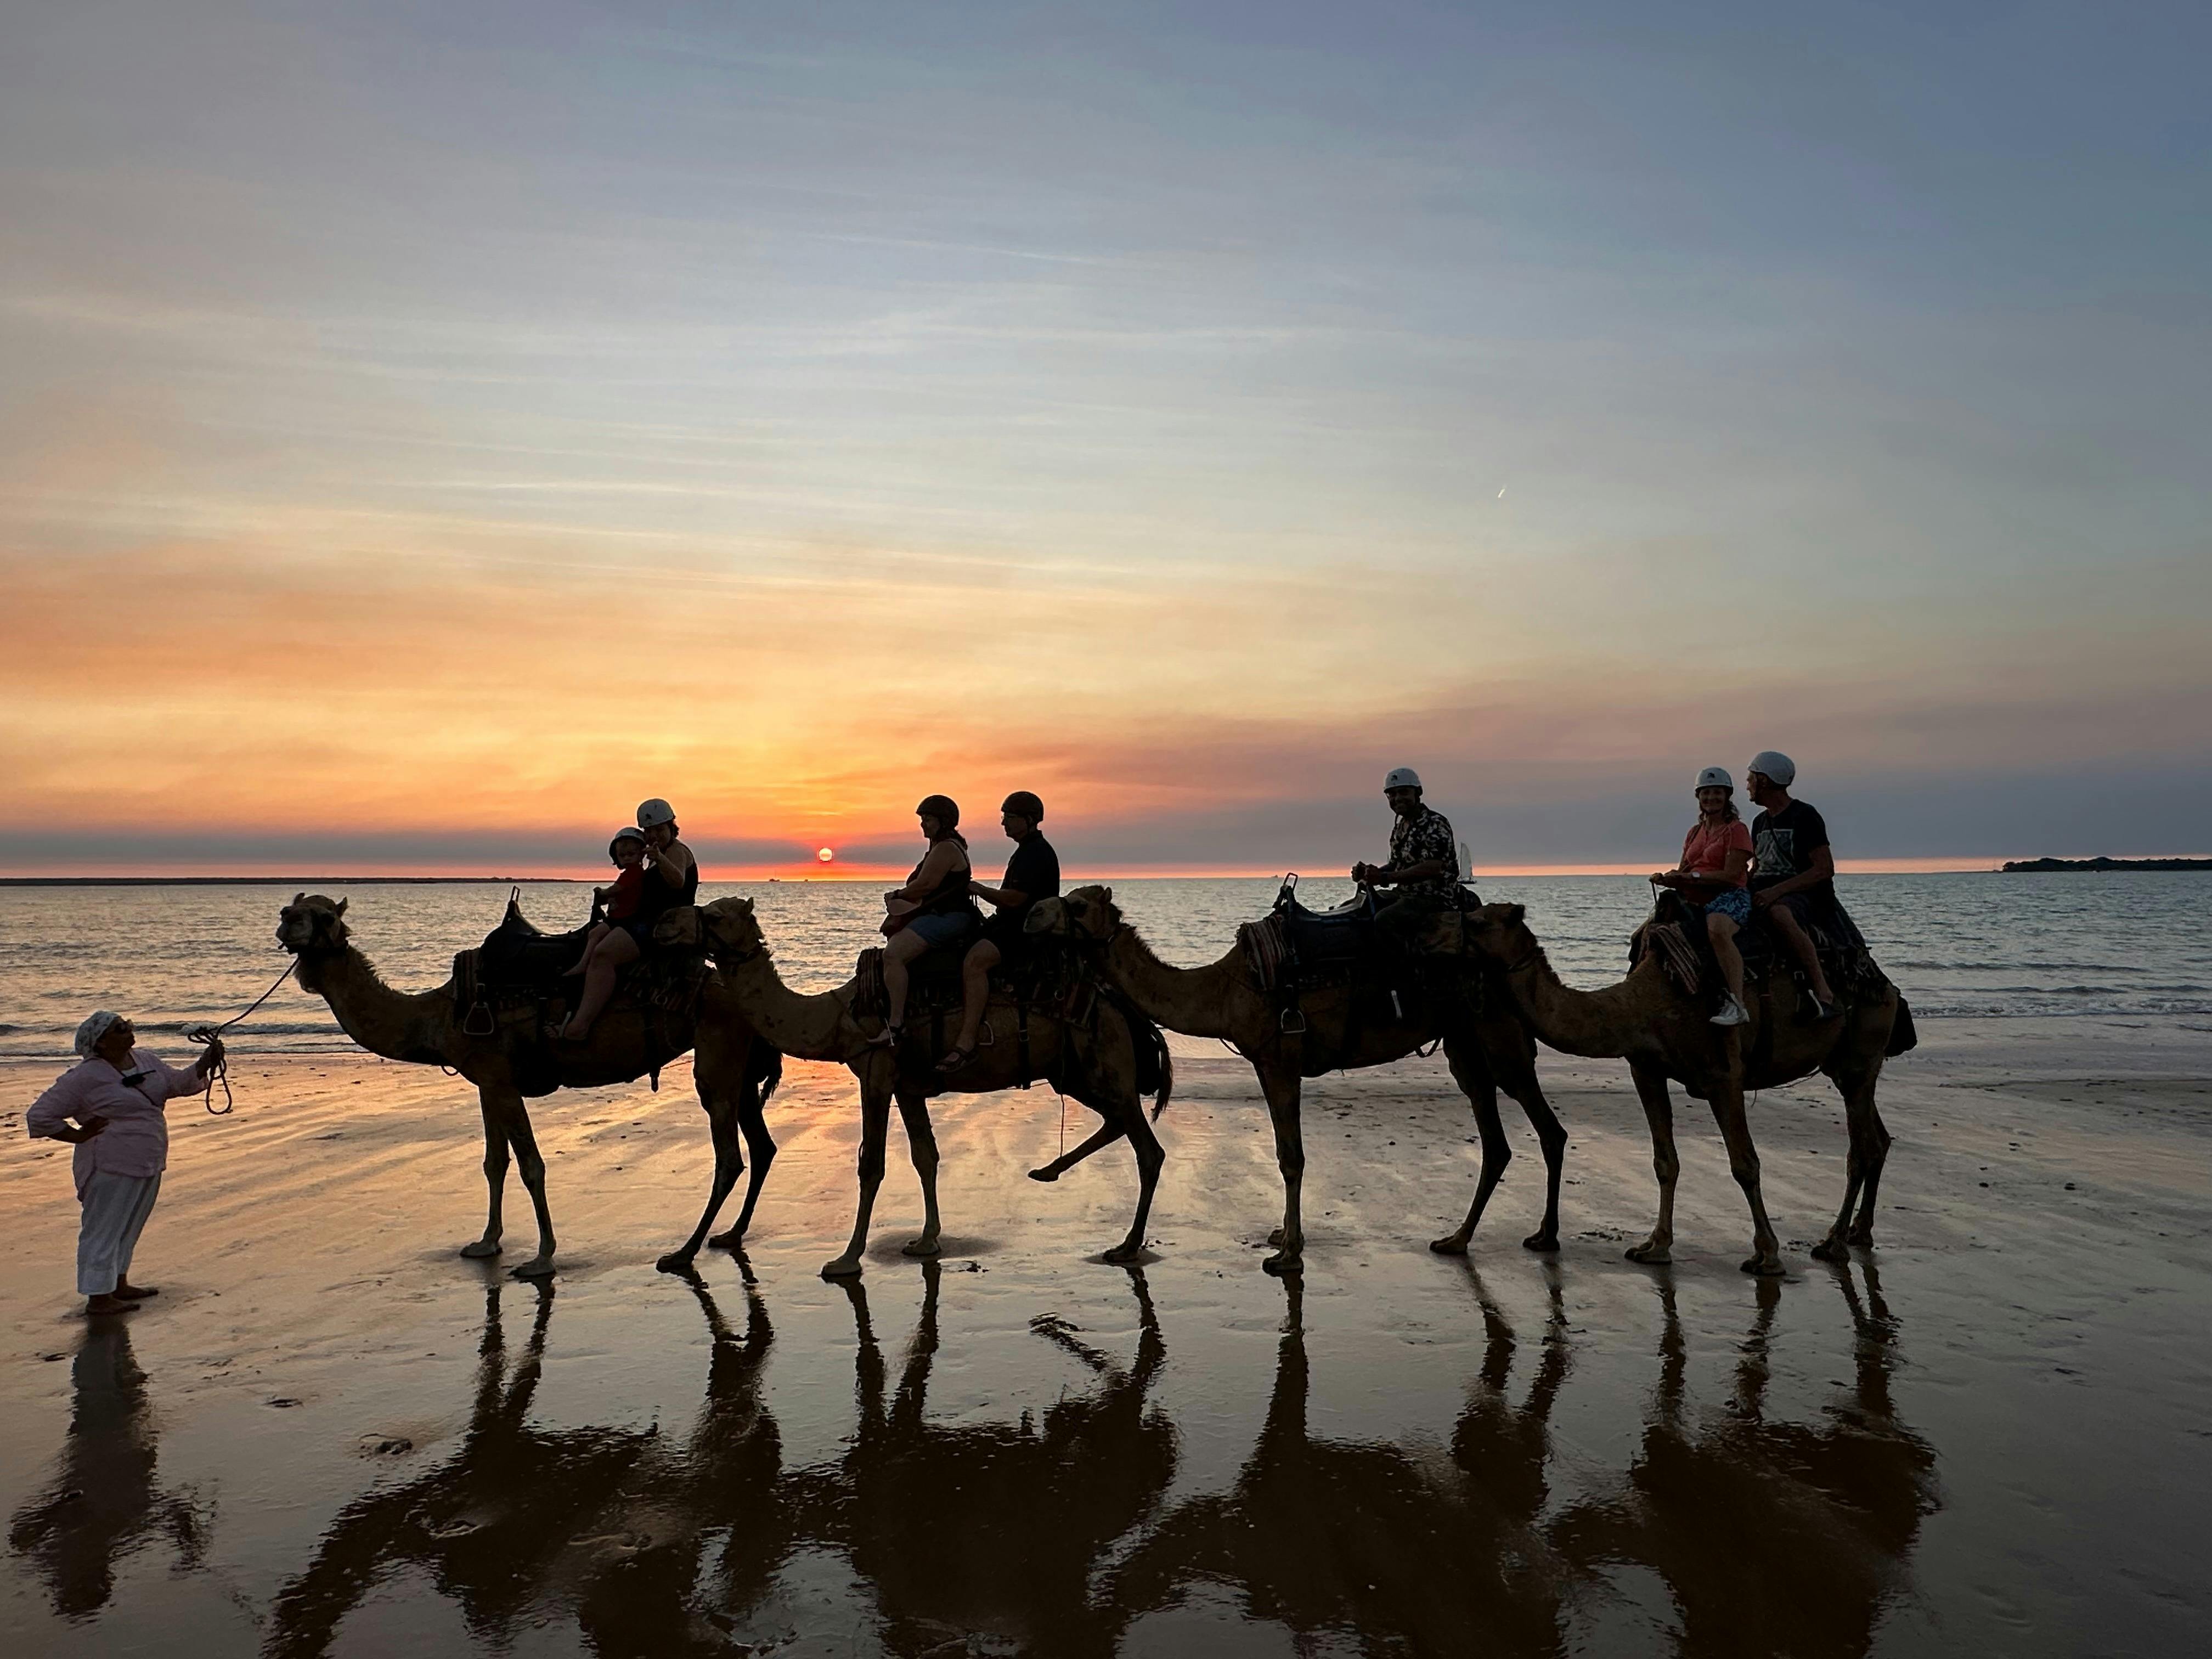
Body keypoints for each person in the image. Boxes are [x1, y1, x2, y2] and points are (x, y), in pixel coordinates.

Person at [25, 1012, 222, 1317]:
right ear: (101, 1042)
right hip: (109, 1162)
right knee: (103, 1228)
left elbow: (178, 1084)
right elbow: (39, 1116)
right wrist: (77, 1136)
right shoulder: (84, 1077)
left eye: (127, 1024)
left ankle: (118, 1283)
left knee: (130, 1224)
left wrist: (205, 1062)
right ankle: (98, 1297)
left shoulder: (146, 1060)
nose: (129, 1030)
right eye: (120, 1029)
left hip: (148, 1155)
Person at [938, 791, 1061, 1072]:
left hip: (1023, 931)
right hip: (1012, 925)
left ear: (1029, 820)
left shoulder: (1036, 853)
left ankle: (967, 1042)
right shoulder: (1026, 850)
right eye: (1004, 817)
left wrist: (979, 889)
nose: (1004, 823)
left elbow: (1016, 899)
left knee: (974, 962)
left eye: (1009, 817)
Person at [560, 798, 698, 1041]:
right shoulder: (656, 855)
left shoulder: (676, 851)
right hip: (647, 919)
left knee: (603, 956)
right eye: (649, 831)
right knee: (594, 935)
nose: (654, 835)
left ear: (671, 828)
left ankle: (581, 1025)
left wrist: (658, 857)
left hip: (662, 926)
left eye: (660, 829)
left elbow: (678, 882)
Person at [871, 795, 979, 1048]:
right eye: (922, 820)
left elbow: (925, 885)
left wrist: (897, 895)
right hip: (941, 915)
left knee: (893, 955)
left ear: (944, 821)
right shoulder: (940, 847)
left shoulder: (947, 849)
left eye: (928, 819)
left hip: (951, 918)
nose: (923, 825)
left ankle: (896, 1024)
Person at [1654, 766, 1756, 1026]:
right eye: (1707, 793)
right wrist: (1668, 878)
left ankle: (1737, 1003)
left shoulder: (1737, 830)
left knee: (1718, 929)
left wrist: (1691, 878)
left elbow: (1733, 875)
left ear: (1727, 796)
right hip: (1693, 895)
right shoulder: (1694, 832)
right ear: (1699, 797)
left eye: (1718, 793)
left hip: (1729, 895)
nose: (1712, 798)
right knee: (1650, 931)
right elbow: (1684, 869)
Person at [1745, 751, 1840, 1018]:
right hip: (1766, 887)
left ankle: (1824, 992)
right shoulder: (1759, 822)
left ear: (1763, 780)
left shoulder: (1804, 816)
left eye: (1751, 778)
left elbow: (1824, 869)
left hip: (1804, 894)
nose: (1748, 784)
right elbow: (1759, 866)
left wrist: (1777, 891)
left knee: (1779, 913)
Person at [1350, 766, 1462, 947]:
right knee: (1355, 909)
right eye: (1391, 795)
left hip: (1435, 898)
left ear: (1418, 793)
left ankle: (1404, 970)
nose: (1397, 799)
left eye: (1403, 792)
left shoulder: (1435, 823)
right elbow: (1397, 864)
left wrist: (1385, 878)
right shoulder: (1400, 828)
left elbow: (1434, 867)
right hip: (1404, 894)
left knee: (1385, 920)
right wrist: (1371, 873)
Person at [561, 827, 651, 980]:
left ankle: (583, 965)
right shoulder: (629, 873)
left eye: (631, 854)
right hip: (618, 917)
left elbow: (616, 889)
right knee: (595, 933)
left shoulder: (634, 873)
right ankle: (583, 964)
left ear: (641, 854)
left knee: (596, 934)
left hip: (625, 919)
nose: (627, 858)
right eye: (623, 855)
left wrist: (602, 893)